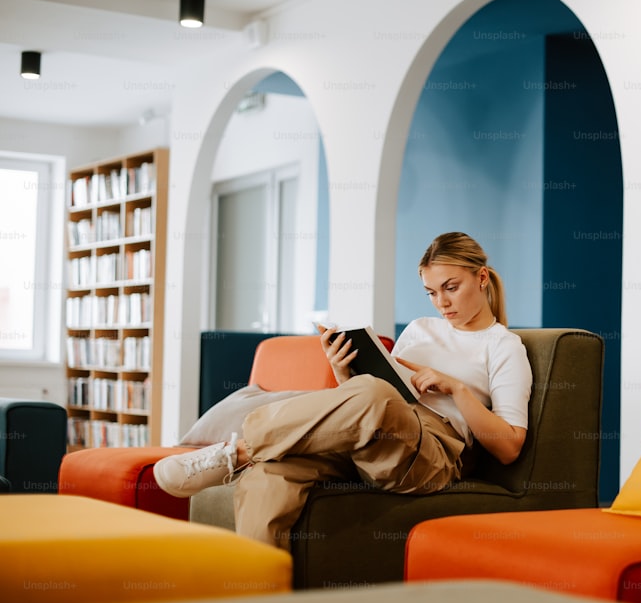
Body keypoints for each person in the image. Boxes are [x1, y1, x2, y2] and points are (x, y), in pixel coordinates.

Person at [154, 232, 532, 549]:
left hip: (432, 454)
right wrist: (340, 368)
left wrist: (457, 389)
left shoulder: (503, 346)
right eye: (431, 292)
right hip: (374, 437)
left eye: (451, 287)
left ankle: (238, 450)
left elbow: (509, 446)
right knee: (273, 470)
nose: (442, 302)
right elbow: (372, 402)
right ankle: (256, 594)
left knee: (374, 393)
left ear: (481, 277)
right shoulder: (419, 329)